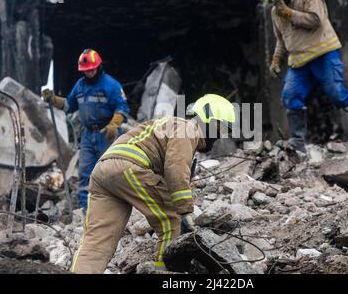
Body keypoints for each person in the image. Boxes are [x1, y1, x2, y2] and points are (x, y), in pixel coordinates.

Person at [70, 94, 236, 273]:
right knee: (172, 221)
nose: (220, 137)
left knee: (97, 241)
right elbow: (176, 169)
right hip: (129, 168)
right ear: (210, 122)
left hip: (103, 171)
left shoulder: (172, 124)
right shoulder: (188, 128)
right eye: (221, 130)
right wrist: (185, 211)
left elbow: (164, 165)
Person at [260, 0, 348, 152]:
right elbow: (281, 38)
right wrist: (276, 59)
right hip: (299, 61)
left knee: (336, 94)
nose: (278, 2)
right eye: (273, 0)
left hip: (323, 53)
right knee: (290, 96)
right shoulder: (276, 11)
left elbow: (316, 20)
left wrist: (290, 13)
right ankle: (298, 141)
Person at [42, 49, 130, 211]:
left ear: (98, 67)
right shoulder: (80, 86)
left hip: (106, 134)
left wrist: (113, 125)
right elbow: (69, 105)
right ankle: (85, 211)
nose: (89, 73)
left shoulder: (110, 85)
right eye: (86, 71)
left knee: (107, 173)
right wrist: (53, 99)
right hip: (88, 135)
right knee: (85, 173)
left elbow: (122, 108)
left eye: (91, 69)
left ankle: (111, 208)